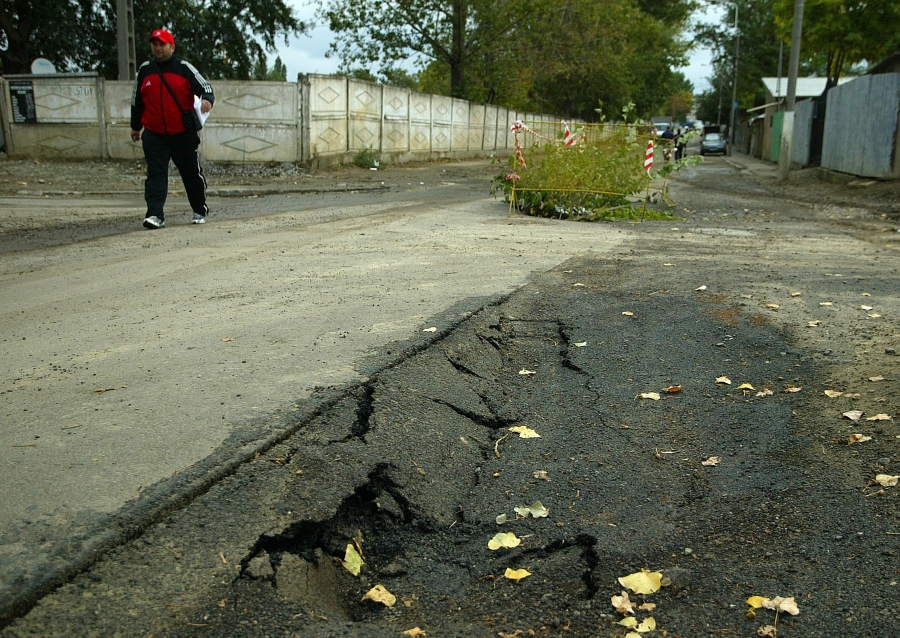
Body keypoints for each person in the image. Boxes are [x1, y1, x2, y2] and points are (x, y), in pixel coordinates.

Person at [130, 28, 214, 229]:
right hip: (154, 134)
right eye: (154, 44)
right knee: (156, 174)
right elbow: (137, 101)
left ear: (172, 46)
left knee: (191, 173)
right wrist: (136, 127)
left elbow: (206, 88)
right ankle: (155, 214)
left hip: (182, 133)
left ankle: (199, 209)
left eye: (162, 44)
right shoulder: (144, 71)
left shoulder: (184, 68)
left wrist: (207, 101)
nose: (157, 48)